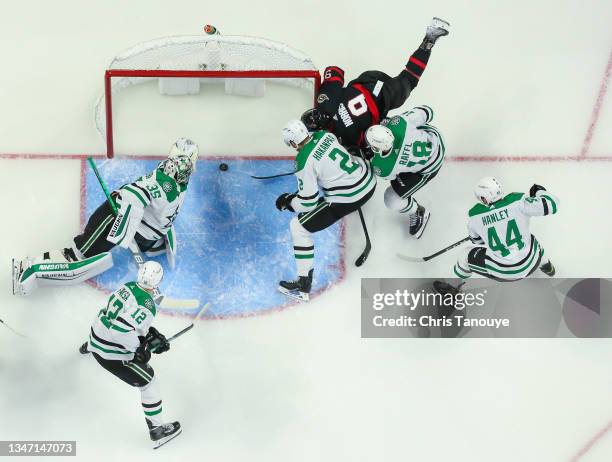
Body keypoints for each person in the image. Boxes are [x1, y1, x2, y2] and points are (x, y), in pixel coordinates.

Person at [12, 138, 198, 296]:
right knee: (138, 215)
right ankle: (149, 245)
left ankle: (34, 270)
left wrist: (123, 222)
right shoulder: (181, 182)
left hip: (128, 223)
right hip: (151, 235)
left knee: (81, 248)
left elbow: (137, 196)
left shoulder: (165, 182)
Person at [301, 17, 450, 148]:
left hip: (380, 95)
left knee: (409, 79)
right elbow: (334, 71)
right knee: (406, 83)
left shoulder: (338, 136)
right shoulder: (325, 104)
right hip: (370, 83)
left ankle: (429, 39)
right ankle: (428, 41)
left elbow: (367, 145)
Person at [79, 261, 181, 449]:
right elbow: (119, 330)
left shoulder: (128, 287)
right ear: (158, 282)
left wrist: (148, 336)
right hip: (109, 355)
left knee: (107, 321)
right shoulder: (148, 305)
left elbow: (118, 319)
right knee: (150, 383)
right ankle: (157, 429)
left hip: (95, 337)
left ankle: (89, 346)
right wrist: (139, 349)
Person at [276, 120, 376, 301]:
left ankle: (303, 285)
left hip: (349, 197)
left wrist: (288, 202)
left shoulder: (303, 161)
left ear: (292, 143)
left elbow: (308, 202)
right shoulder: (325, 135)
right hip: (368, 180)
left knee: (298, 227)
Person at [435, 178, 559, 294]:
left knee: (465, 256)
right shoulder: (518, 201)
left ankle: (451, 290)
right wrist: (539, 192)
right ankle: (546, 265)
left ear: (484, 198)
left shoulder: (475, 216)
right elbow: (552, 204)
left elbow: (477, 242)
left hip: (506, 272)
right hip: (532, 261)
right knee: (530, 240)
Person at [365, 105, 445, 238]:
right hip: (436, 138)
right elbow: (428, 111)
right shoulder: (399, 122)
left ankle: (418, 211)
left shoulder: (382, 167)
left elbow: (391, 175)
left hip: (430, 167)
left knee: (391, 199)